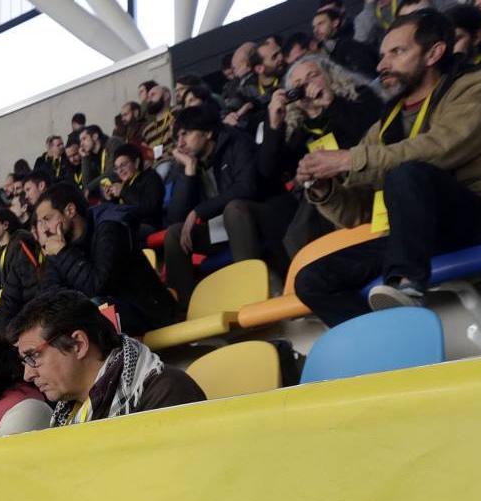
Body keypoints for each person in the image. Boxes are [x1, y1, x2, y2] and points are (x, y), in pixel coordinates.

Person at [294, 10, 481, 324]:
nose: (381, 65)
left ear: (434, 53)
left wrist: (350, 159)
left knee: (408, 172)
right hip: (414, 234)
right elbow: (357, 210)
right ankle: (387, 345)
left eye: (397, 52)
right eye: (382, 55)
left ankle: (405, 287)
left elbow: (441, 149)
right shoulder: (387, 121)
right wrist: (326, 191)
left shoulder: (480, 87)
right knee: (310, 281)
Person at [8, 290, 204, 426]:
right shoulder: (66, 412)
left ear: (79, 345)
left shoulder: (167, 392)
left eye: (33, 356)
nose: (28, 374)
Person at [261, 55, 385, 257]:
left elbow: (371, 135)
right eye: (298, 84)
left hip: (362, 180)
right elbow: (269, 171)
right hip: (321, 196)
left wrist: (330, 102)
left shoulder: (359, 97)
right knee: (288, 222)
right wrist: (274, 125)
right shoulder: (297, 129)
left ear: (329, 75)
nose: (306, 86)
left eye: (313, 76)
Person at [33, 181, 177, 337]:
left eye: (47, 219)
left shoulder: (109, 228)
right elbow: (49, 295)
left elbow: (97, 286)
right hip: (116, 318)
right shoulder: (60, 245)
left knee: (95, 309)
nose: (45, 229)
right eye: (41, 222)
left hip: (150, 314)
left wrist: (63, 253)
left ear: (70, 210)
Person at [164, 103, 271, 306]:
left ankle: (251, 298)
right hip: (219, 230)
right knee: (174, 233)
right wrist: (188, 170)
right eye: (177, 137)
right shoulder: (189, 161)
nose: (180, 143)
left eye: (185, 134)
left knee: (234, 209)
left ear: (208, 132)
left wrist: (199, 211)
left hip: (253, 219)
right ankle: (184, 310)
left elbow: (247, 188)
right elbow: (175, 216)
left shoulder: (237, 141)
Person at [0, 207, 41, 331]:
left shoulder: (21, 243)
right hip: (3, 306)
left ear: (5, 225)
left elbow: (31, 282)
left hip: (18, 307)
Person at [314, 2, 382, 74]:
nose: (316, 30)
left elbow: (360, 40)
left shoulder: (359, 24)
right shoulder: (325, 48)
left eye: (331, 12)